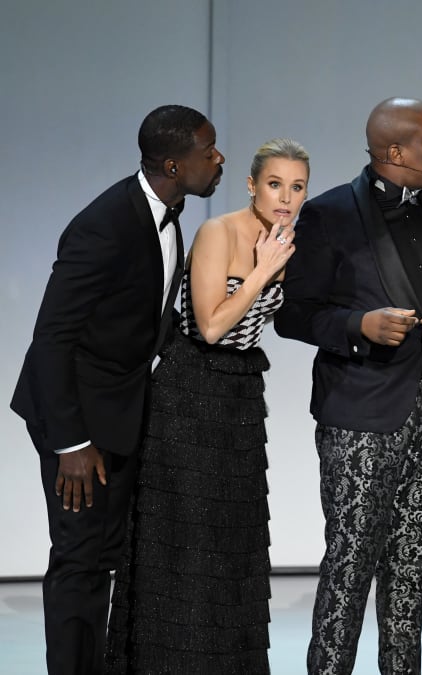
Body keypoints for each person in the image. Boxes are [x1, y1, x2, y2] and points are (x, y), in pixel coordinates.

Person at [274, 97, 422, 675]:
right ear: (396, 150)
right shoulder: (329, 214)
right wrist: (358, 326)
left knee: (409, 568)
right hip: (360, 411)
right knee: (350, 563)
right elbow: (293, 313)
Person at [9, 105, 224, 675]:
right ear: (174, 165)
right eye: (209, 151)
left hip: (117, 410)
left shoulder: (166, 215)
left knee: (104, 555)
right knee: (80, 559)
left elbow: (145, 320)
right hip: (77, 419)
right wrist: (72, 444)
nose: (219, 158)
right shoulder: (104, 224)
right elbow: (52, 339)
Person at [104, 138, 308, 673]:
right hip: (189, 392)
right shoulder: (218, 231)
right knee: (184, 540)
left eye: (297, 187)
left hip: (242, 395)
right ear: (252, 185)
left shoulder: (289, 240)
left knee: (234, 541)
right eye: (275, 184)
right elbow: (212, 326)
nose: (286, 197)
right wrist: (262, 270)